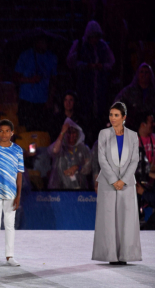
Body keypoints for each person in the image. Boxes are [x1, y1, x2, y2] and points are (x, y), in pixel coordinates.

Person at [92, 102, 142, 265]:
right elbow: (102, 159)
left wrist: (123, 180)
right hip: (108, 183)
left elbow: (135, 160)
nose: (112, 118)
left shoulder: (133, 136)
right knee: (108, 220)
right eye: (111, 115)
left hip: (127, 184)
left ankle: (125, 255)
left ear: (124, 117)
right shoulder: (103, 134)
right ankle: (110, 255)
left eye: (116, 115)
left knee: (126, 220)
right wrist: (114, 180)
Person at [0, 119, 24, 267]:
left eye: (7, 131)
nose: (4, 133)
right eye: (1, 130)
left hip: (11, 192)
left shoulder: (18, 150)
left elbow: (19, 174)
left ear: (12, 133)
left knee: (9, 224)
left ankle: (10, 256)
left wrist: (18, 195)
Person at [67, 20, 115, 126]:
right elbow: (70, 62)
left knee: (99, 113)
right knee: (84, 111)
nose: (94, 39)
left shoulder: (103, 46)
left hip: (100, 85)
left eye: (96, 36)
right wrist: (86, 65)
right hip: (84, 84)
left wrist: (101, 66)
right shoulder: (79, 44)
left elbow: (111, 62)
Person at [14, 36, 57, 131]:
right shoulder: (25, 55)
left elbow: (53, 80)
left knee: (41, 130)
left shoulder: (52, 57)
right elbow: (16, 77)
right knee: (27, 129)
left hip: (43, 101)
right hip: (27, 100)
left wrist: (50, 99)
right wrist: (30, 80)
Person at [48, 118, 92, 190]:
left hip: (79, 191)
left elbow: (89, 167)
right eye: (68, 132)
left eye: (74, 132)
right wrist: (62, 132)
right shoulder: (59, 146)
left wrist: (78, 167)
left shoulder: (84, 149)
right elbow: (54, 151)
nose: (71, 135)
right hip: (58, 191)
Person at [114, 63, 155, 127]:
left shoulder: (153, 92)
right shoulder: (128, 91)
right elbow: (117, 104)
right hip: (132, 124)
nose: (144, 74)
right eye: (141, 72)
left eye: (146, 72)